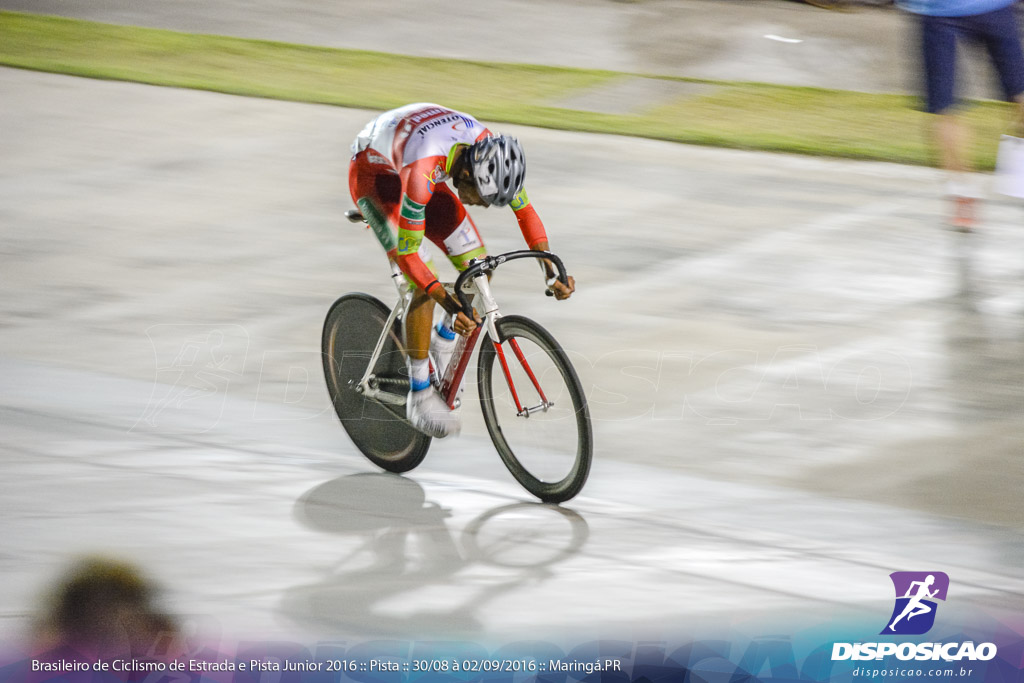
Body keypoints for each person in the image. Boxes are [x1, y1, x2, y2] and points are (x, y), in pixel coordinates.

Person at [347, 103, 576, 438]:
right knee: (421, 287)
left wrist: (550, 270)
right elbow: (410, 257)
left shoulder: (490, 153)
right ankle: (420, 394)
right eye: (484, 198)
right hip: (374, 179)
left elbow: (525, 212)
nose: (483, 205)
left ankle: (441, 343)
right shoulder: (425, 165)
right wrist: (450, 305)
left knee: (478, 269)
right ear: (467, 175)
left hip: (420, 165)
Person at [897, 0, 1024, 230]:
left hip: (989, 8)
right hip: (938, 13)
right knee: (944, 108)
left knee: (1019, 97)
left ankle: (1014, 178)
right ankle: (962, 192)